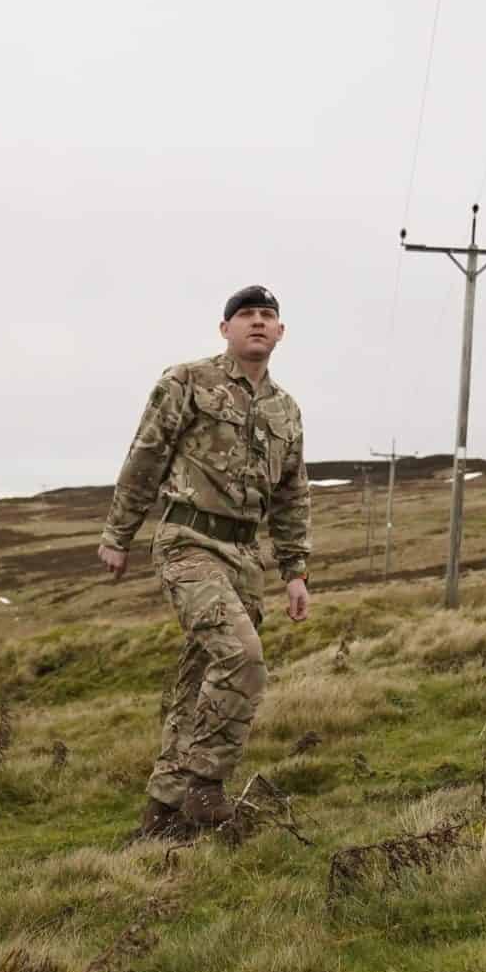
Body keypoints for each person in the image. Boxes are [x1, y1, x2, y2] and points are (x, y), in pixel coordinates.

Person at [97, 285, 312, 833]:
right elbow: (145, 456)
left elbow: (291, 494)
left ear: (281, 332)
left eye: (268, 316)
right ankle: (206, 787)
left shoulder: (286, 410)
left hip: (245, 557)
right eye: (246, 316)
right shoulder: (187, 382)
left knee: (200, 681)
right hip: (187, 542)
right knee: (243, 659)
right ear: (225, 330)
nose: (257, 323)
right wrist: (118, 534)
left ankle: (161, 816)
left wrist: (295, 571)